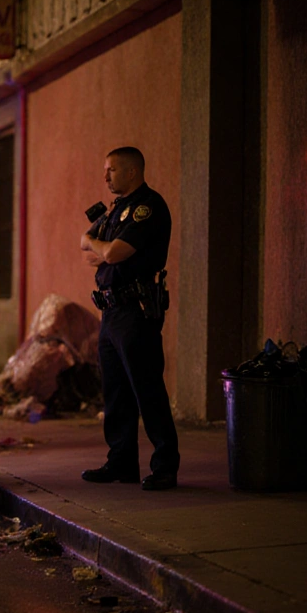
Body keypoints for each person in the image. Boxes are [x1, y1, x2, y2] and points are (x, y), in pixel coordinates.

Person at [79, 147, 180, 490]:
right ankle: (121, 462)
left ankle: (165, 466)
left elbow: (110, 252)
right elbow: (88, 247)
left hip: (136, 311)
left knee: (146, 388)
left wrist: (102, 249)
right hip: (110, 311)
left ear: (132, 172)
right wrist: (101, 248)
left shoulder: (146, 208)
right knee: (115, 392)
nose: (105, 176)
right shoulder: (116, 211)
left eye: (112, 170)